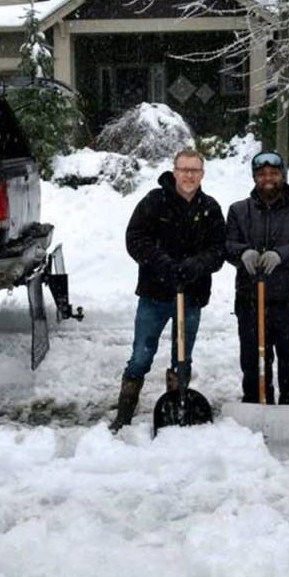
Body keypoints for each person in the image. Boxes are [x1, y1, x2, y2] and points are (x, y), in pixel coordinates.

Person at [109, 148, 226, 432]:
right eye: (184, 169)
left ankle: (178, 406)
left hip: (192, 294)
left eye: (194, 170)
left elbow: (219, 249)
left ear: (202, 174)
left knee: (182, 357)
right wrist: (161, 262)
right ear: (174, 172)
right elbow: (135, 238)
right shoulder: (154, 202)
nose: (189, 175)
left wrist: (197, 264)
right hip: (155, 293)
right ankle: (125, 411)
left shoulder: (209, 208)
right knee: (141, 355)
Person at [225, 151, 289, 417]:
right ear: (255, 177)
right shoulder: (239, 210)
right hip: (251, 301)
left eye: (274, 173)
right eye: (262, 174)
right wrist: (242, 252)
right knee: (255, 364)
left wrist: (282, 254)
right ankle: (257, 412)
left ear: (283, 175)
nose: (268, 178)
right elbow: (227, 244)